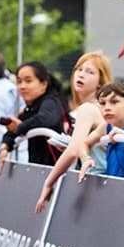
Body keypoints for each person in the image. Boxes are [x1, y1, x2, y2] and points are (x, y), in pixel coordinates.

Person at [35, 52, 113, 213]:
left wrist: (49, 182)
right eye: (79, 69)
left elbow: (74, 149)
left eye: (90, 72)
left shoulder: (89, 108)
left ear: (100, 82)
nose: (81, 74)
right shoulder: (93, 108)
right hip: (99, 182)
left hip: (98, 182)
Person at [0, 61, 67, 174]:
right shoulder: (30, 108)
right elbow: (16, 127)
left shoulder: (51, 102)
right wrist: (5, 146)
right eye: (19, 81)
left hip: (57, 174)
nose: (22, 86)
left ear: (44, 84)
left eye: (28, 81)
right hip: (38, 171)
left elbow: (44, 119)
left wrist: (21, 127)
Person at [78, 82, 124, 182]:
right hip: (111, 188)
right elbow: (84, 143)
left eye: (114, 102)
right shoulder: (106, 127)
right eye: (102, 103)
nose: (107, 108)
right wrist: (86, 159)